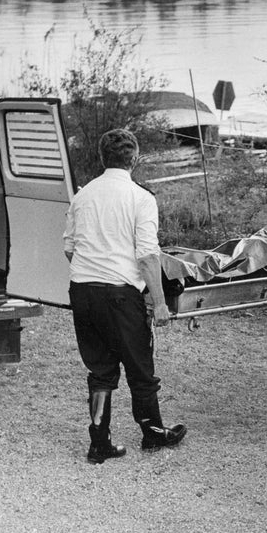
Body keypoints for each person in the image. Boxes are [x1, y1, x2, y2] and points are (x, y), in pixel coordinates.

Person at [63, 128, 186, 464]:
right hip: (119, 292)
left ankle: (99, 441)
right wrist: (159, 302)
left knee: (100, 370)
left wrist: (93, 269)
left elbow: (69, 248)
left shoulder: (82, 196)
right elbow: (148, 257)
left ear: (103, 158)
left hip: (83, 290)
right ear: (134, 159)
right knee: (139, 365)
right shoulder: (140, 198)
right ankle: (153, 432)